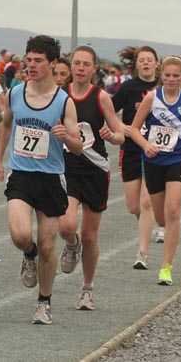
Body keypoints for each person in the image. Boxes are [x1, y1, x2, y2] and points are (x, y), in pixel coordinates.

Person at [0, 35, 83, 325]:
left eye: (37, 61)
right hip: (21, 175)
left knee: (47, 245)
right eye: (28, 60)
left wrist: (67, 136)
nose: (30, 65)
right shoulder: (15, 93)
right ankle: (27, 254)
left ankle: (44, 302)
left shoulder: (63, 101)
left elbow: (79, 146)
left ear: (53, 64)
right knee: (20, 236)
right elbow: (6, 126)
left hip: (51, 178)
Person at [56, 45, 125, 311]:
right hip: (67, 168)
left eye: (86, 64)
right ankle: (70, 246)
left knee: (89, 236)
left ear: (94, 68)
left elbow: (119, 133)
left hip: (95, 170)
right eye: (77, 63)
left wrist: (112, 136)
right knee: (66, 226)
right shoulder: (60, 96)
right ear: (71, 66)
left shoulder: (101, 97)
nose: (81, 68)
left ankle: (87, 288)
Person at [128, 55, 181, 286]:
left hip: (179, 157)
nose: (171, 79)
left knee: (173, 211)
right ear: (161, 75)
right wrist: (146, 145)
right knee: (161, 217)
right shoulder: (152, 98)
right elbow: (134, 129)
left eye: (176, 76)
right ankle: (162, 231)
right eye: (168, 75)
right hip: (153, 160)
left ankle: (166, 268)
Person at [112, 46, 160, 269]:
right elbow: (109, 112)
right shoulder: (129, 87)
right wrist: (124, 128)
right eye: (143, 60)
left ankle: (142, 253)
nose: (147, 63)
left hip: (154, 150)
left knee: (146, 200)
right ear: (137, 64)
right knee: (134, 206)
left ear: (157, 63)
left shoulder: (163, 87)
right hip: (131, 149)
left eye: (150, 60)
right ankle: (153, 223)